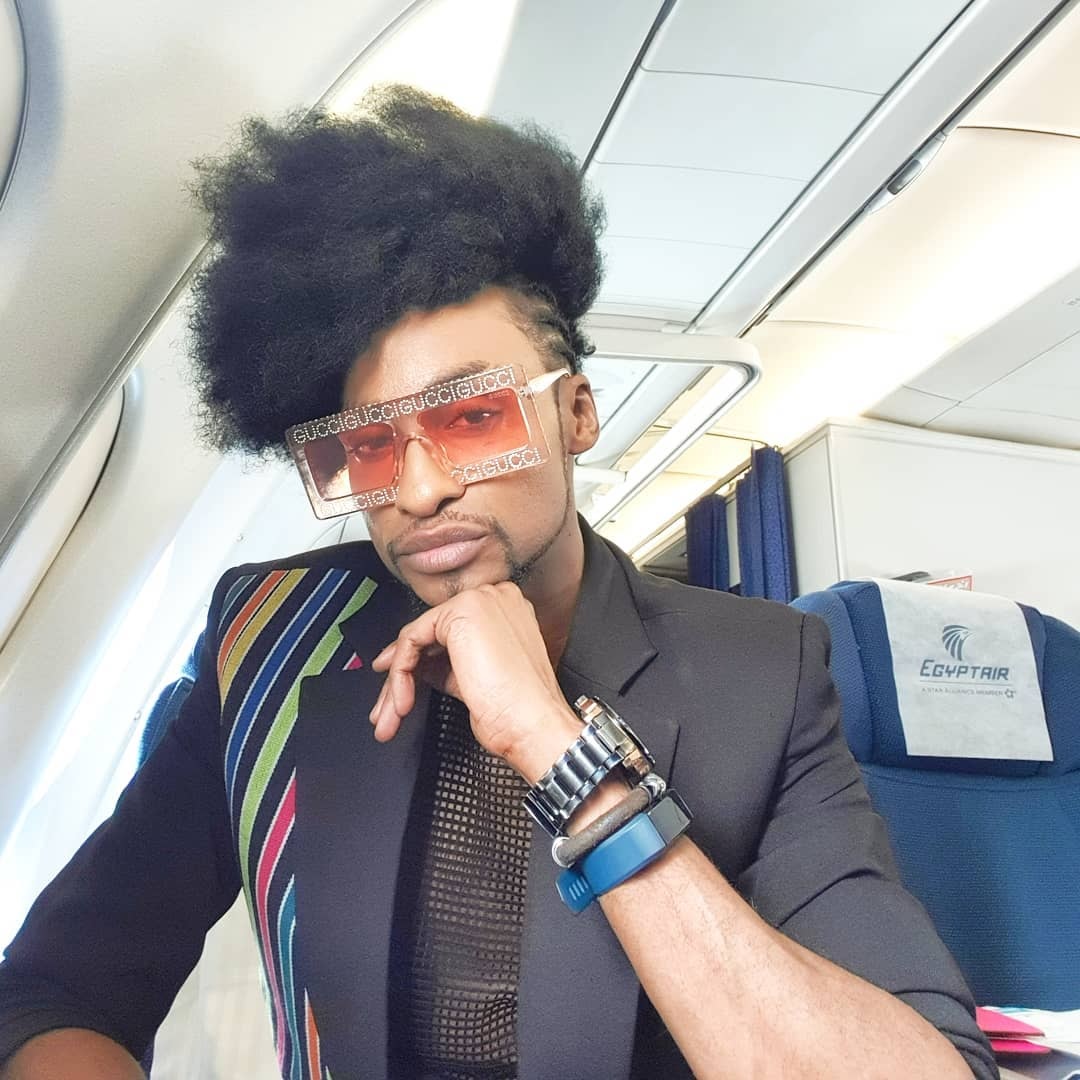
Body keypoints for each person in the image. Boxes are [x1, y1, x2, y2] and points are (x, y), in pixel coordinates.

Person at [0, 87, 997, 1080]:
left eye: (472, 418)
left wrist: (559, 749)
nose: (419, 490)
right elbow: (54, 989)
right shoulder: (270, 636)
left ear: (576, 414)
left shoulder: (762, 674)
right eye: (370, 446)